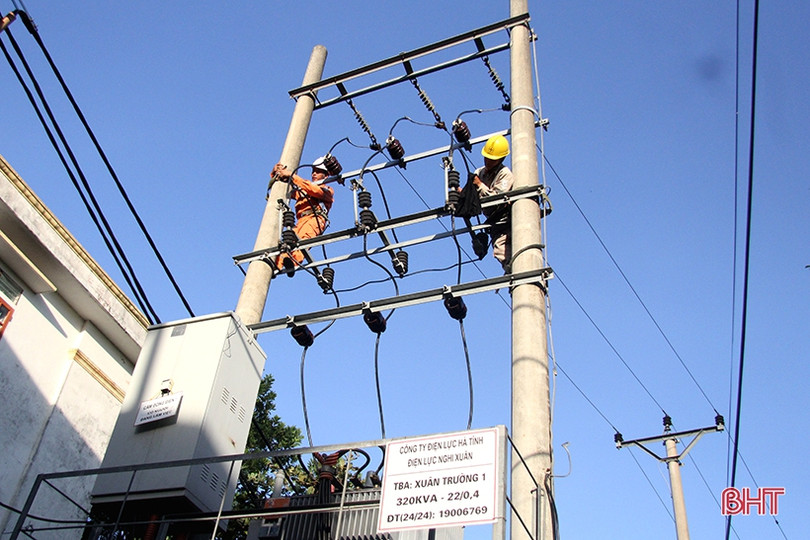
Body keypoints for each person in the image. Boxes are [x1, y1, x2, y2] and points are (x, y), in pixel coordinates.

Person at [272, 157, 338, 276]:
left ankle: (293, 263)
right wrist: (277, 174)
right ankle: (276, 265)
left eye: (318, 172)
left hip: (315, 219)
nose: (314, 174)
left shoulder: (327, 190)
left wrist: (292, 176)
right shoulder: (303, 189)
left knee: (303, 241)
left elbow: (314, 190)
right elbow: (286, 190)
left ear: (326, 175)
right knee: (287, 241)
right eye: (313, 171)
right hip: (300, 220)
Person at [469, 134, 514, 271]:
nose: (487, 161)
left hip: (506, 221)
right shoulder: (479, 172)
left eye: (492, 159)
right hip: (494, 223)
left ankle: (516, 274)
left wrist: (479, 185)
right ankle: (511, 272)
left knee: (506, 252)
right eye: (486, 157)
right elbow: (471, 196)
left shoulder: (505, 174)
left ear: (501, 159)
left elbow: (496, 199)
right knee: (501, 252)